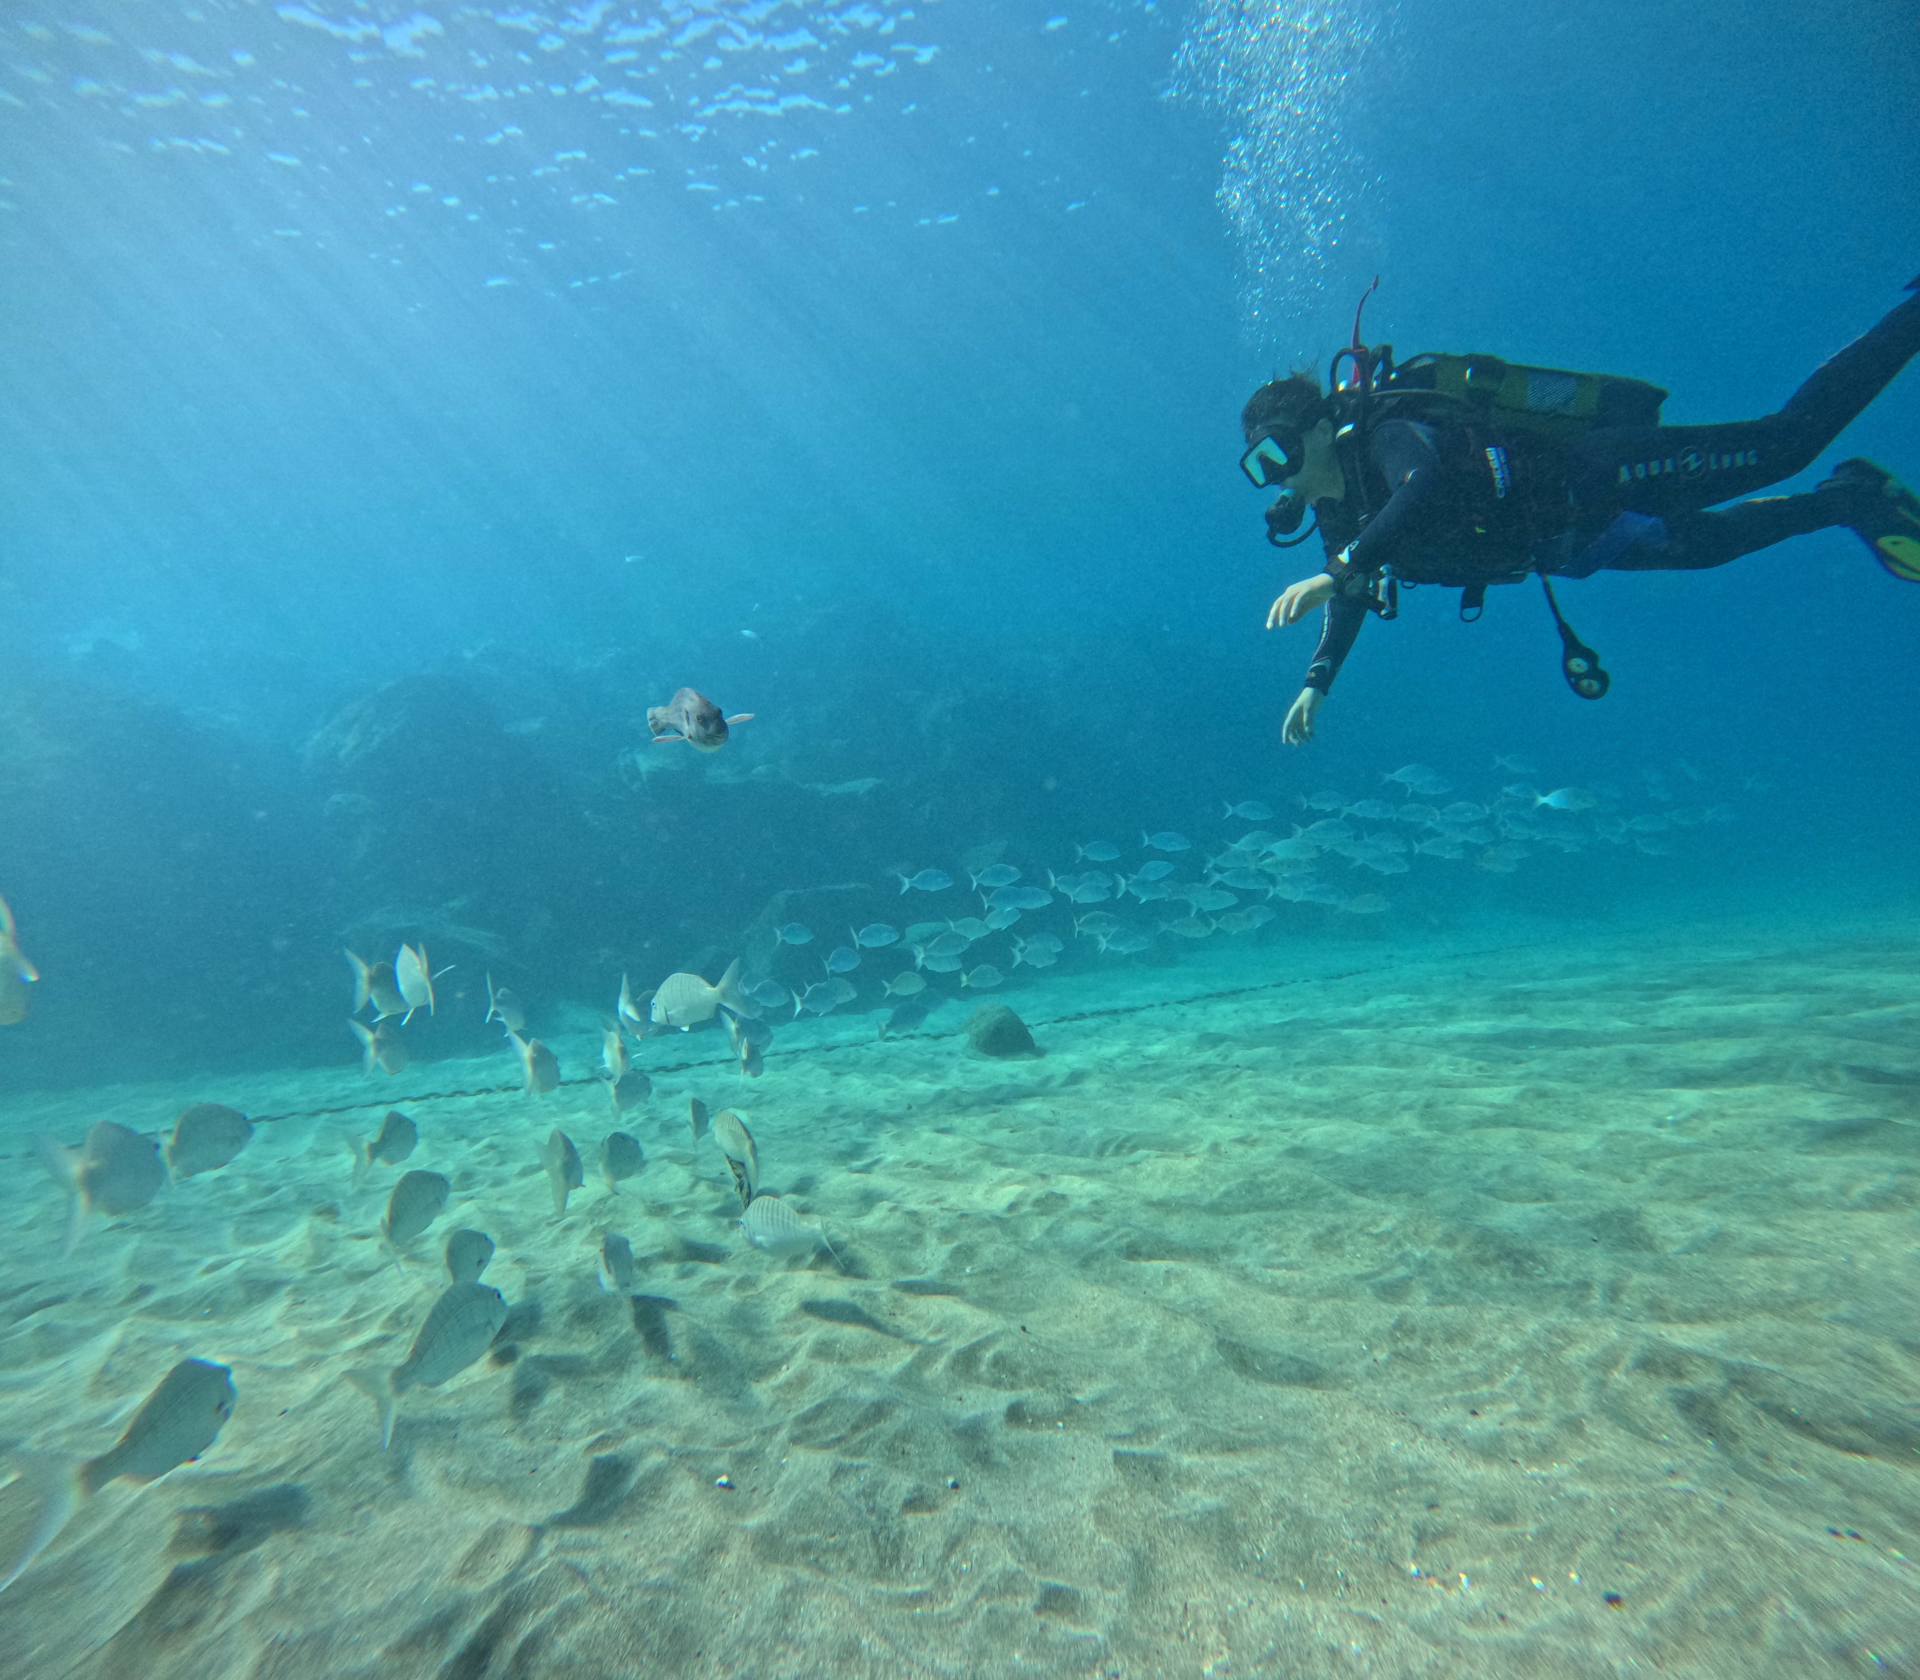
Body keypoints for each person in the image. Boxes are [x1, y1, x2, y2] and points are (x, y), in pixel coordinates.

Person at [1242, 276, 1920, 743]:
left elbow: (1422, 482)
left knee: (1784, 445)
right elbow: (1354, 592)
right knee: (1712, 546)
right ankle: (1850, 498)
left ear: (1317, 429)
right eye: (1259, 467)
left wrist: (1337, 568)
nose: (1275, 476)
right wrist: (1317, 682)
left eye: (1275, 453)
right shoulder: (1342, 509)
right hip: (1570, 542)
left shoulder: (1385, 436)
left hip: (1595, 476)